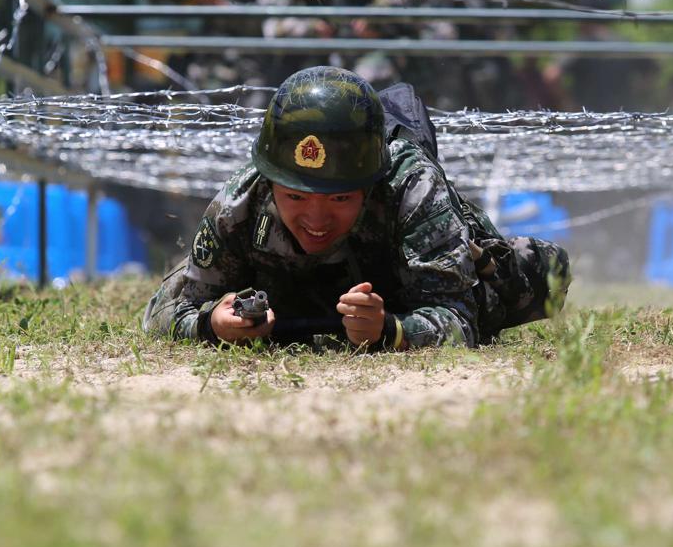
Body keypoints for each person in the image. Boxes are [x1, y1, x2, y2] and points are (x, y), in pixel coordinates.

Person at [142, 66, 570, 349]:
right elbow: (162, 310)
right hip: (301, 294)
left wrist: (392, 330)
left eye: (340, 198)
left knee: (543, 274)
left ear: (370, 186)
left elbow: (459, 319)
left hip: (408, 285)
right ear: (271, 182)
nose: (315, 219)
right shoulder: (243, 197)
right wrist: (210, 324)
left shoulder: (412, 186)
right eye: (295, 197)